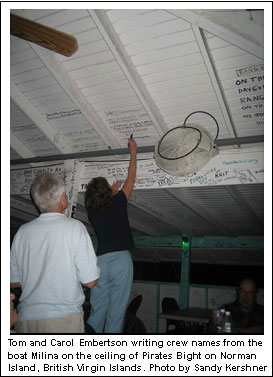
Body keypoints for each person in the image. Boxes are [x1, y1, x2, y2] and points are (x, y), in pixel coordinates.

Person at [10, 173, 100, 333]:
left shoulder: (22, 232)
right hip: (63, 320)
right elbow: (90, 281)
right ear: (63, 199)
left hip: (25, 320)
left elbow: (12, 281)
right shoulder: (75, 228)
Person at [84, 137, 137, 333]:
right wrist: (133, 150)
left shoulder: (92, 212)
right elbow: (131, 177)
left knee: (97, 309)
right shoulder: (118, 202)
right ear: (108, 191)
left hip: (100, 262)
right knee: (116, 310)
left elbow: (103, 202)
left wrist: (113, 191)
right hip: (121, 260)